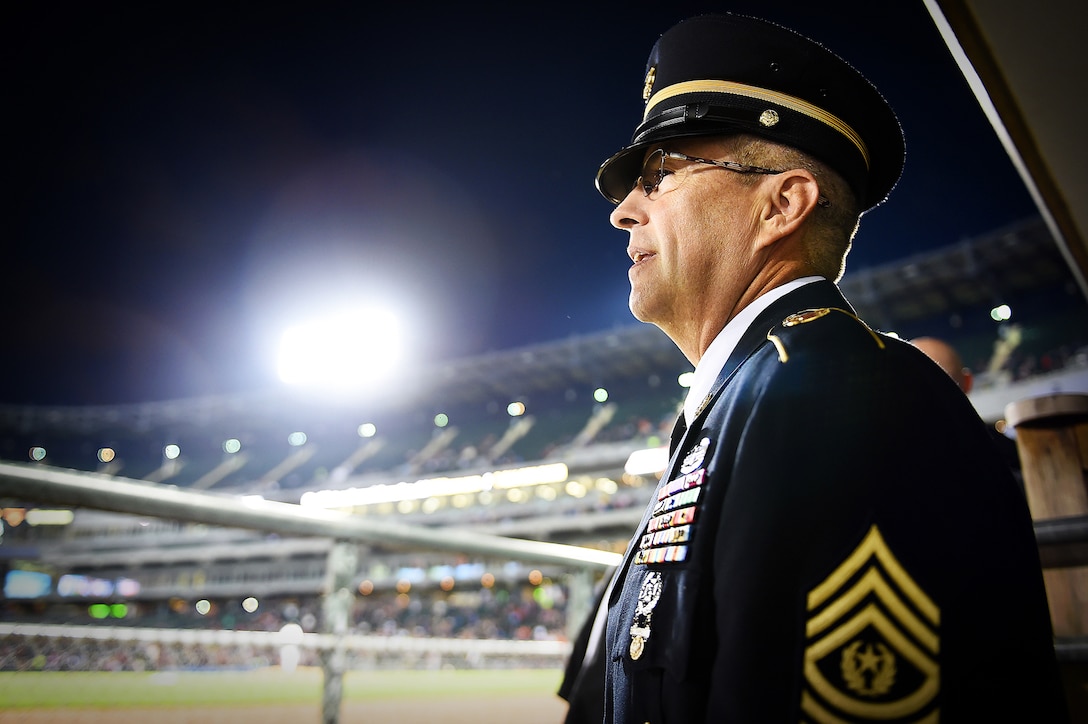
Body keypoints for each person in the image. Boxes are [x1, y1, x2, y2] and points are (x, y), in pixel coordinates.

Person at [565, 13, 1068, 723]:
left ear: (783, 204)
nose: (624, 211)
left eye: (662, 174)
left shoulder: (838, 395)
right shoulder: (756, 397)